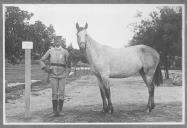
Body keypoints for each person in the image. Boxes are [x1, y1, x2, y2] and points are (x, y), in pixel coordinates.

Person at [40, 36, 71, 116]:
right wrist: (45, 68)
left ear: (61, 42)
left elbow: (69, 64)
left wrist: (67, 72)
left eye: (59, 40)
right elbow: (41, 60)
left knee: (61, 93)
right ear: (54, 42)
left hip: (62, 75)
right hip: (53, 74)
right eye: (56, 40)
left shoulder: (65, 52)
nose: (57, 42)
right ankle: (54, 112)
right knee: (54, 93)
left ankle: (60, 111)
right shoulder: (50, 51)